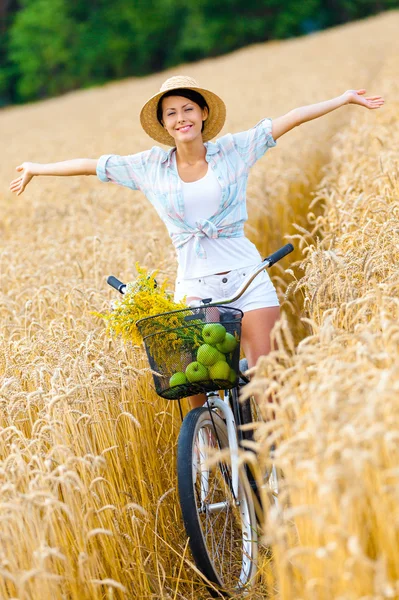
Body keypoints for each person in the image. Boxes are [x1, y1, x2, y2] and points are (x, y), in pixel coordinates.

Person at [9, 75, 384, 407]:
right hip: (195, 285)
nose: (180, 118)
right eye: (170, 113)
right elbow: (92, 165)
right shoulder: (149, 167)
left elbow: (290, 118)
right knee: (193, 387)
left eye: (187, 108)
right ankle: (210, 458)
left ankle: (270, 468)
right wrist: (37, 169)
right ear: (163, 124)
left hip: (248, 279)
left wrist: (344, 99)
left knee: (266, 385)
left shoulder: (235, 150)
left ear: (203, 113)